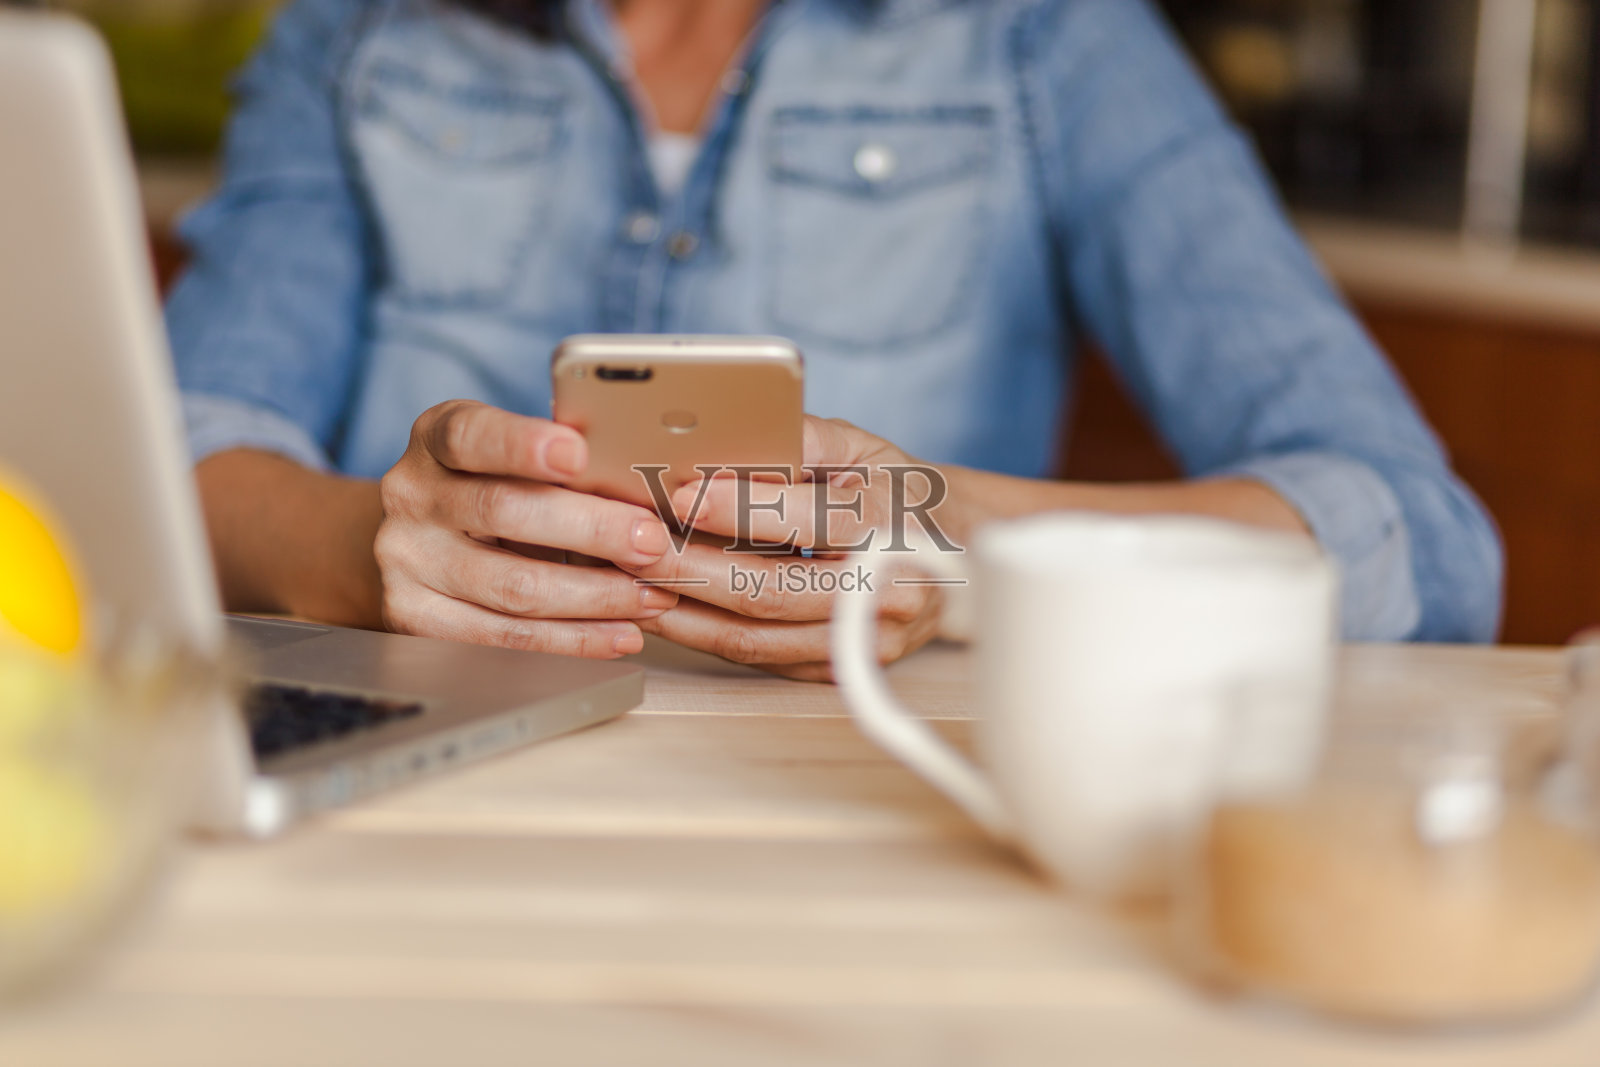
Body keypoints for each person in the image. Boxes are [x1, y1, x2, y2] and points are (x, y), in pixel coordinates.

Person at [167, 0, 1503, 680]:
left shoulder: (1043, 34)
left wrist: (953, 544)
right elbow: (178, 451)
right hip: (418, 813)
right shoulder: (352, 29)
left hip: (879, 840)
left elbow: (1415, 537)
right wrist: (370, 550)